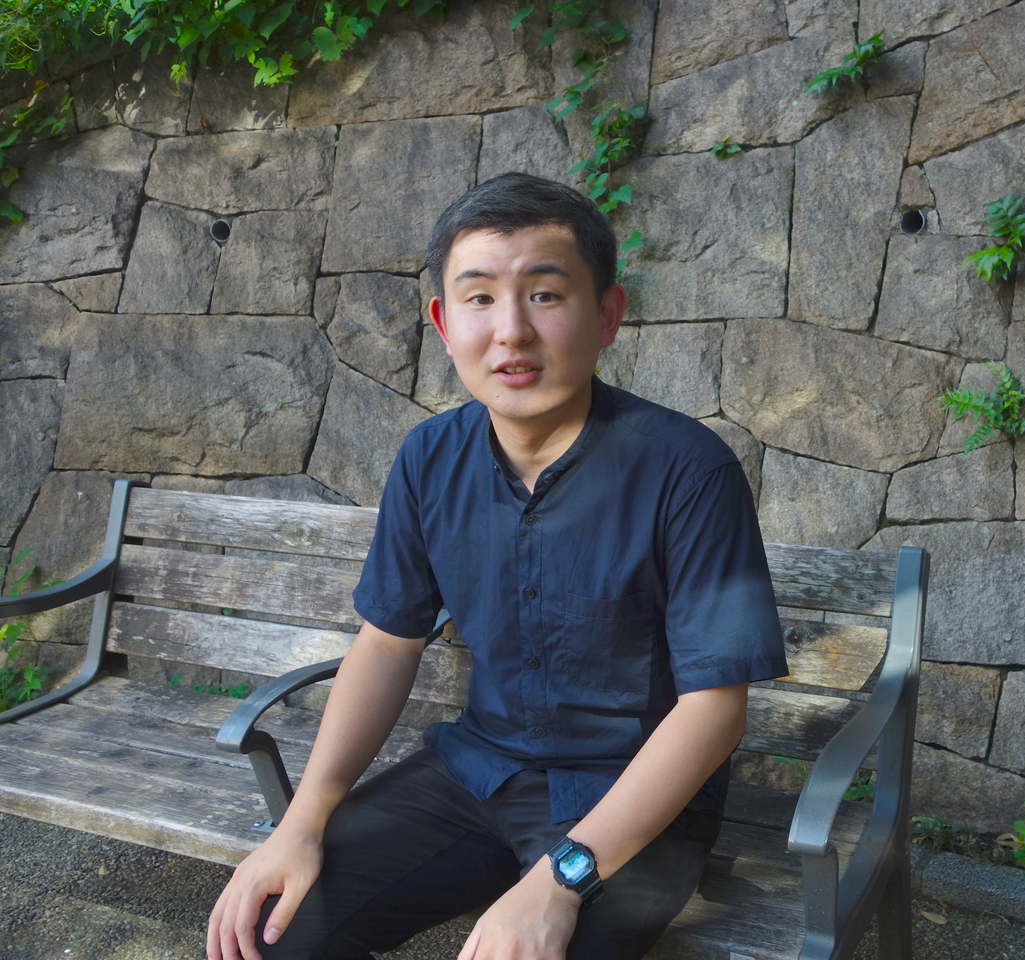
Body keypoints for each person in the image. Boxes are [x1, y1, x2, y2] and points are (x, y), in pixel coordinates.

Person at [206, 172, 788, 960]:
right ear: (444, 324)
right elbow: (386, 643)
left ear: (607, 314)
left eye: (545, 294)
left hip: (633, 801)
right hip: (475, 773)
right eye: (479, 298)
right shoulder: (429, 458)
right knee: (268, 933)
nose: (511, 331)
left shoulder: (688, 470)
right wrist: (300, 824)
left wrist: (562, 881)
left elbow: (714, 710)